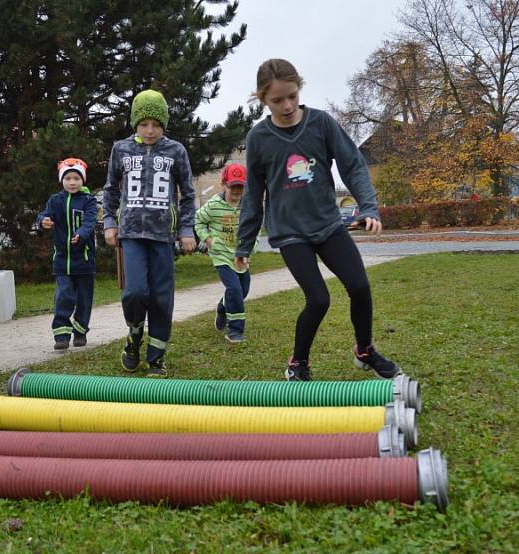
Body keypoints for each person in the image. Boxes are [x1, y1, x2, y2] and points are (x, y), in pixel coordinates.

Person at [234, 58, 401, 382]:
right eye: (277, 100)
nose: (287, 105)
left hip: (328, 224)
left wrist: (368, 207)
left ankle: (364, 351)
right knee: (319, 299)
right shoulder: (259, 138)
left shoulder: (321, 123)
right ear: (262, 99)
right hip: (290, 233)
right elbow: (254, 194)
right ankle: (299, 362)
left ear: (300, 88)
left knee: (359, 286)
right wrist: (244, 242)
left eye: (292, 96)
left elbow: (352, 165)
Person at [103, 89, 196, 377]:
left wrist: (186, 229)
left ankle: (156, 357)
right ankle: (134, 335)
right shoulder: (121, 149)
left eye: (156, 125)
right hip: (131, 233)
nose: (150, 130)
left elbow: (189, 194)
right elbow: (110, 189)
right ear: (135, 123)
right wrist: (109, 222)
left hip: (163, 236)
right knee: (135, 292)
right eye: (144, 124)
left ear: (164, 125)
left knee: (161, 298)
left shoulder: (175, 151)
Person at [37, 158, 97, 350]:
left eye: (76, 178)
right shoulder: (55, 200)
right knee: (64, 295)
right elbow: (43, 215)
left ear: (83, 180)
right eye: (68, 178)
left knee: (84, 298)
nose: (72, 182)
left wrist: (81, 234)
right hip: (62, 260)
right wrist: (43, 221)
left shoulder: (89, 201)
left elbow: (90, 222)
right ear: (62, 180)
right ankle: (61, 334)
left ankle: (80, 330)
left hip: (84, 260)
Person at [194, 163, 251, 344]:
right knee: (234, 289)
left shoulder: (249, 206)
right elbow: (198, 222)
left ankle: (222, 308)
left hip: (240, 255)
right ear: (224, 184)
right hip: (220, 255)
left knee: (243, 291)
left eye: (240, 186)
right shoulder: (213, 205)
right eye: (232, 185)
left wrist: (247, 251)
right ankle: (235, 330)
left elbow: (254, 229)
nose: (236, 190)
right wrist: (208, 240)